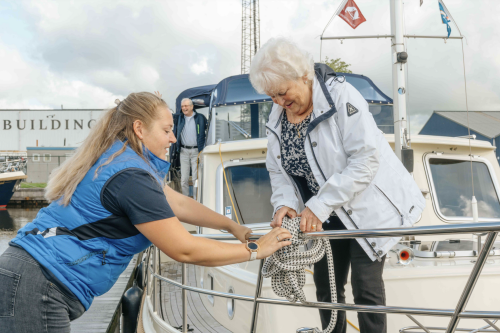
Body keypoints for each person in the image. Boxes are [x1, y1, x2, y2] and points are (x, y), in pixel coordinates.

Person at [0, 92, 292, 333]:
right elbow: (184, 249)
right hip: (39, 283)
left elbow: (177, 204)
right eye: (166, 130)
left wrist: (231, 226)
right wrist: (255, 249)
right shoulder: (130, 176)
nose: (173, 139)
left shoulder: (124, 162)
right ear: (139, 129)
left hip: (30, 274)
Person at [249, 38, 425, 333]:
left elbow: (365, 162)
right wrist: (284, 203)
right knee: (326, 288)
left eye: (282, 93)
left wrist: (318, 205)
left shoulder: (342, 96)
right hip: (319, 218)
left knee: (365, 289)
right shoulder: (278, 116)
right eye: (272, 97)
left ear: (302, 75)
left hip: (362, 209)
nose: (279, 102)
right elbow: (278, 169)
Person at [172, 98, 208, 197]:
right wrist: (159, 100)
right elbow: (164, 115)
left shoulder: (200, 118)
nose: (184, 108)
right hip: (183, 151)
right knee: (184, 179)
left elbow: (208, 131)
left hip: (197, 151)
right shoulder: (178, 118)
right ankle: (186, 200)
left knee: (196, 178)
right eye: (182, 106)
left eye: (186, 106)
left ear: (192, 106)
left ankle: (197, 200)